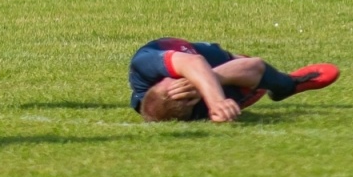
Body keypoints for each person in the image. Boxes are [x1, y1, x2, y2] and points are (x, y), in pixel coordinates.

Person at [128, 38, 339, 123]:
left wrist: (213, 97)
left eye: (172, 80)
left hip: (182, 49)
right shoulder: (200, 110)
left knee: (199, 68)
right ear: (193, 103)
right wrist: (210, 89)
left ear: (156, 84)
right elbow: (255, 66)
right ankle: (289, 84)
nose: (178, 78)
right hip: (226, 64)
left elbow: (193, 62)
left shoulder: (142, 71)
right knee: (257, 76)